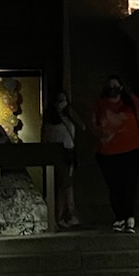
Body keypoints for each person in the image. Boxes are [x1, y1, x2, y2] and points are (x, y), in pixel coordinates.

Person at [92, 75, 139, 233]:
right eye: (110, 86)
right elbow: (93, 125)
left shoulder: (132, 102)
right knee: (114, 187)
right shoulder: (100, 104)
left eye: (116, 85)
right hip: (108, 152)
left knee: (129, 185)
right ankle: (120, 217)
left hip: (132, 150)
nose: (113, 89)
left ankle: (129, 217)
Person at [42, 89, 81, 228]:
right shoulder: (52, 121)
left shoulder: (68, 117)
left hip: (68, 153)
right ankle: (58, 217)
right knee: (62, 186)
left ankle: (68, 214)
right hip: (59, 153)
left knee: (67, 186)